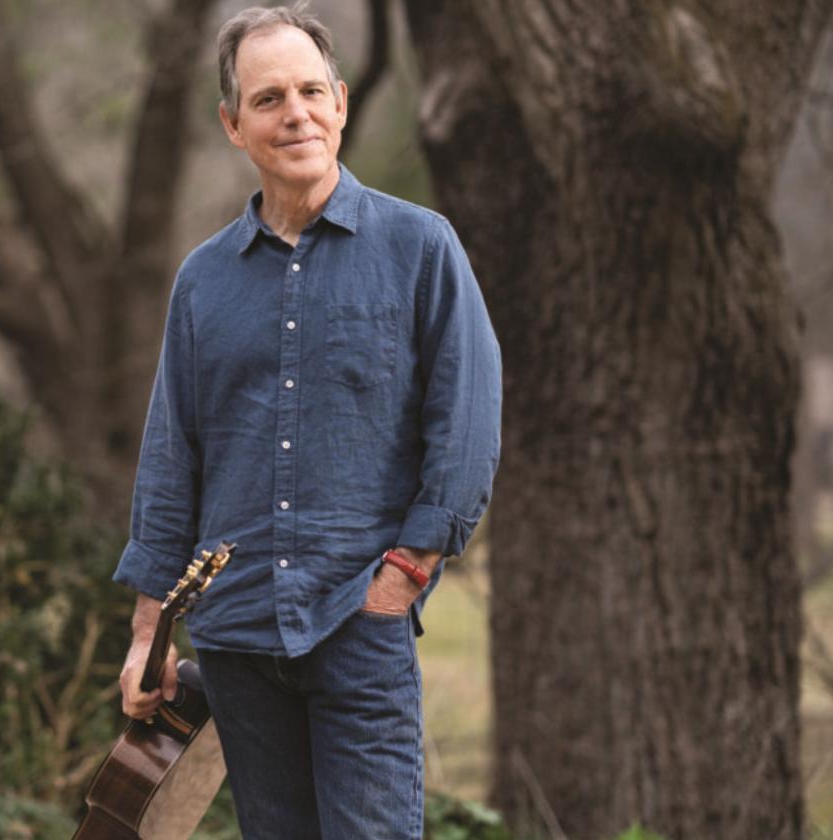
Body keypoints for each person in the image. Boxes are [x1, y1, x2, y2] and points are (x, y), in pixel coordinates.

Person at [112, 3, 501, 838]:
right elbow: (171, 459)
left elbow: (466, 427)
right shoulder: (202, 282)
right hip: (238, 639)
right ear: (232, 124)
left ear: (342, 104)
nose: (296, 113)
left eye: (311, 91)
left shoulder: (420, 248)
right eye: (268, 99)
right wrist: (150, 630)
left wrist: (399, 579)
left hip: (359, 625)